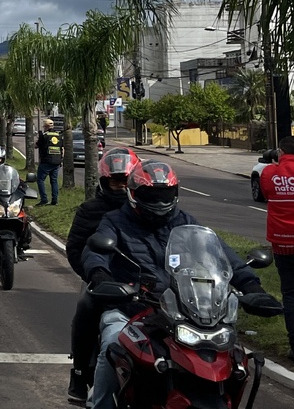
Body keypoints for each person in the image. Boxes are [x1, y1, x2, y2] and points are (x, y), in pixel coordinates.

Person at [82, 161, 279, 409]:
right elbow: (95, 253)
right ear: (133, 194)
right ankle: (101, 405)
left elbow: (223, 257)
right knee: (112, 345)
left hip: (182, 311)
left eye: (164, 194)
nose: (159, 201)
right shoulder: (114, 222)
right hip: (131, 307)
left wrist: (252, 288)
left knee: (231, 357)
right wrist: (101, 275)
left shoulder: (186, 223)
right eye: (151, 195)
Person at [63, 147, 141, 403]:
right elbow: (75, 248)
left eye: (126, 181)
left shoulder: (148, 209)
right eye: (115, 181)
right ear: (105, 182)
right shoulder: (91, 210)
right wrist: (94, 276)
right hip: (102, 280)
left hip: (145, 284)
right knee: (85, 309)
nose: (121, 187)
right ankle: (78, 373)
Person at [260, 135, 294, 363]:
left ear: (280, 153)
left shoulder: (269, 174)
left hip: (283, 246)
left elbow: (265, 193)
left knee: (292, 298)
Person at [35, 118, 63, 206]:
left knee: (40, 179)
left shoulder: (44, 135)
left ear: (45, 126)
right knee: (54, 181)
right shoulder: (59, 135)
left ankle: (44, 199)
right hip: (57, 161)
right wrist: (61, 160)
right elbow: (62, 148)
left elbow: (36, 146)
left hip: (46, 161)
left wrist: (38, 138)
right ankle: (55, 200)